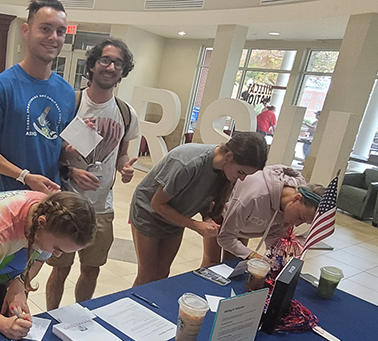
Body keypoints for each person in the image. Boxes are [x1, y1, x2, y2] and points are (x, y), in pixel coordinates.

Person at [44, 38, 140, 310]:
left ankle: (79, 316)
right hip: (65, 202)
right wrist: (71, 170)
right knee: (59, 269)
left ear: (123, 70)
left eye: (118, 63)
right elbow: (48, 150)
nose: (110, 67)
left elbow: (122, 153)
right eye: (105, 60)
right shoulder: (70, 103)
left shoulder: (126, 112)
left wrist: (125, 167)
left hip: (101, 206)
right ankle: (53, 315)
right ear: (94, 65)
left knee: (91, 268)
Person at [0, 191, 96, 340]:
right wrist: (1, 323)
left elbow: (40, 258)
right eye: (57, 248)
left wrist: (18, 282)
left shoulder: (51, 215)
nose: (57, 255)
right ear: (40, 223)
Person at [130, 132, 268, 286]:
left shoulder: (226, 173)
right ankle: (128, 308)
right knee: (147, 275)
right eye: (241, 172)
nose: (242, 178)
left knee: (162, 273)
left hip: (176, 216)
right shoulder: (189, 162)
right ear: (228, 157)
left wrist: (207, 218)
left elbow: (205, 198)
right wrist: (195, 225)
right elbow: (157, 204)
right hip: (148, 212)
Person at [0, 0, 75, 194]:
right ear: (26, 30)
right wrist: (24, 176)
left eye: (61, 32)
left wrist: (71, 153)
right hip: (8, 197)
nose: (54, 37)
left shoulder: (67, 92)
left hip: (49, 200)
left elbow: (56, 145)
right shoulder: (2, 87)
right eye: (45, 29)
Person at [202, 165, 325, 264]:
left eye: (304, 222)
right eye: (300, 217)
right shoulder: (254, 197)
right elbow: (225, 237)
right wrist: (254, 256)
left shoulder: (290, 208)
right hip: (221, 215)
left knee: (233, 263)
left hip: (246, 223)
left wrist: (275, 259)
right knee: (212, 263)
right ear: (297, 198)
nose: (297, 224)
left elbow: (273, 235)